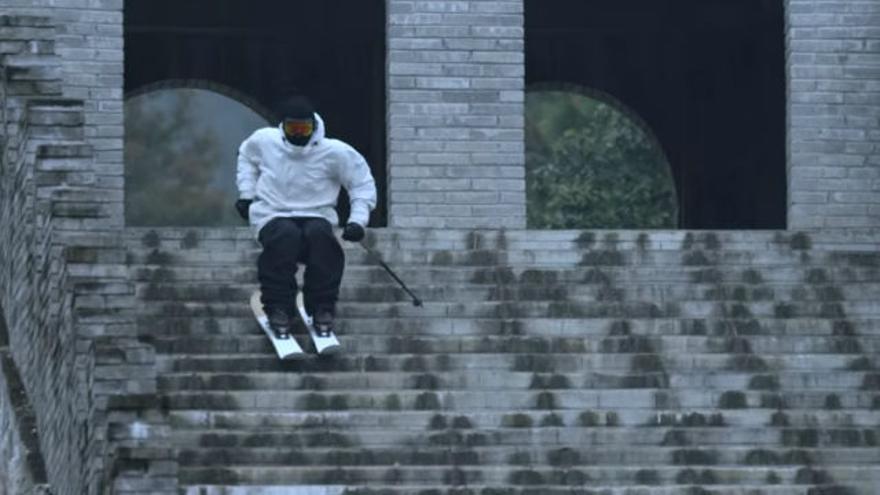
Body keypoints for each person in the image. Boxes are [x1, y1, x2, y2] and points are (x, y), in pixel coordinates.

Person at [235, 95, 377, 338]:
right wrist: (246, 195)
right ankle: (279, 306)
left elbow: (361, 184)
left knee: (321, 237)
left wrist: (357, 221)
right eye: (293, 128)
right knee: (284, 236)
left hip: (316, 214)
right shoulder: (264, 141)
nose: (299, 134)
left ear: (314, 126)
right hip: (272, 213)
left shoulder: (335, 152)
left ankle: (322, 307)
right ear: (283, 126)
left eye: (304, 128)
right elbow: (246, 157)